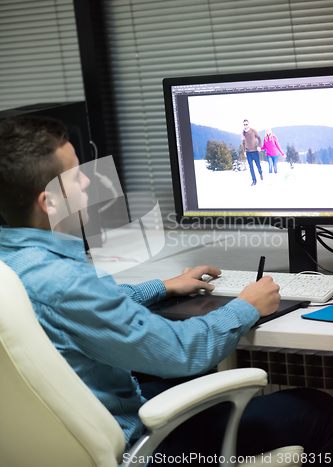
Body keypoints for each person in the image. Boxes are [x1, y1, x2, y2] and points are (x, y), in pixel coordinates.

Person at [0, 115, 332, 465]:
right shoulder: (65, 280)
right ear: (49, 203)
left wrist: (162, 286)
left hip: (57, 440)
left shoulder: (16, 265)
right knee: (316, 408)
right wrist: (247, 305)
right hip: (137, 449)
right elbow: (181, 351)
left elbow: (75, 308)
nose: (87, 182)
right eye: (76, 175)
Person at [242, 119, 263, 186]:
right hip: (248, 152)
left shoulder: (253, 131)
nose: (246, 126)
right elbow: (243, 142)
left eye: (246, 124)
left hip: (255, 151)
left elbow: (259, 138)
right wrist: (244, 151)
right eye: (244, 124)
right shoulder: (243, 133)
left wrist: (259, 146)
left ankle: (260, 173)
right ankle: (254, 180)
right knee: (251, 167)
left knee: (258, 165)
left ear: (249, 124)